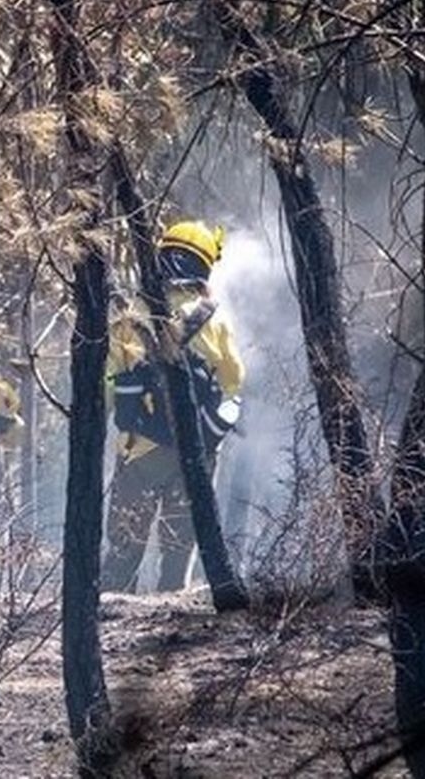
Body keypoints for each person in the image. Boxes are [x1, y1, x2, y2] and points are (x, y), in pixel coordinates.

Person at [100, 220, 245, 593]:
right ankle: (170, 629)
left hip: (139, 452)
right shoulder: (215, 319)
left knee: (123, 549)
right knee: (178, 555)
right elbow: (233, 383)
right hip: (194, 454)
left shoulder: (130, 316)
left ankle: (110, 618)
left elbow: (108, 383)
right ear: (205, 266)